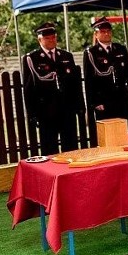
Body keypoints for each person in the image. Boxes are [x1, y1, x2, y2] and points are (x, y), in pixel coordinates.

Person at [22, 22, 85, 156]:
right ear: (39, 39)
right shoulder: (31, 59)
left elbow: (75, 84)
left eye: (53, 37)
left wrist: (80, 106)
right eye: (47, 38)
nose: (51, 40)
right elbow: (28, 89)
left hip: (67, 110)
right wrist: (32, 113)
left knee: (71, 147)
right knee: (50, 148)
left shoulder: (66, 56)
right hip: (46, 111)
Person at [83, 17, 128, 130]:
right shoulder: (91, 53)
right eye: (103, 32)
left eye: (108, 31)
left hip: (122, 97)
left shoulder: (120, 49)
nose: (107, 34)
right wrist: (95, 102)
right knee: (109, 133)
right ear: (96, 34)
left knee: (126, 131)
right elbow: (89, 80)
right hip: (104, 99)